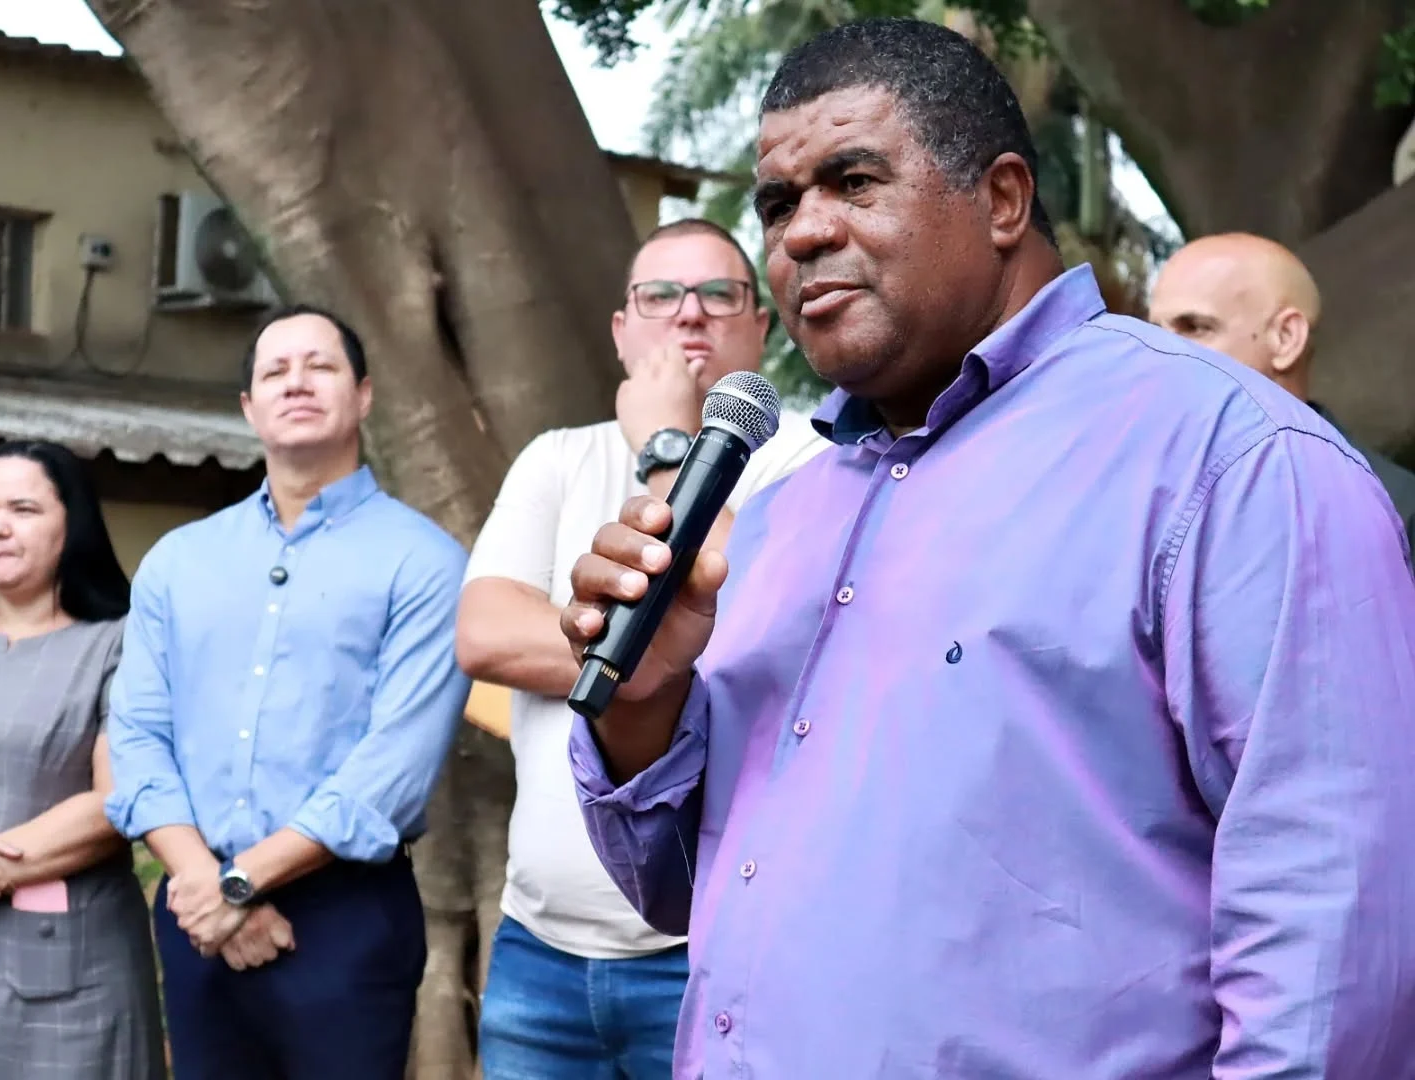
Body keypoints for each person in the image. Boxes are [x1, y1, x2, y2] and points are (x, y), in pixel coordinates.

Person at [559, 19, 1415, 1080]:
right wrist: (643, 705)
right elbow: (689, 889)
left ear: (1003, 199)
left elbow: (1333, 954)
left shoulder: (1232, 464)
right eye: (777, 205)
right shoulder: (781, 516)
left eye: (854, 181)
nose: (803, 233)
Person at [456, 218, 827, 1078]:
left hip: (715, 949)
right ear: (622, 330)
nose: (689, 314)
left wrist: (668, 450)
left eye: (718, 294)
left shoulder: (811, 456)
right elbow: (483, 632)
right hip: (538, 945)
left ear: (760, 327)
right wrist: (669, 661)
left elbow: (765, 628)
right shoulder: (558, 457)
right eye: (661, 296)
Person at [105, 305, 470, 1080]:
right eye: (275, 371)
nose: (296, 383)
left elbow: (394, 767)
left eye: (320, 366)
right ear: (249, 407)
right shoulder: (179, 561)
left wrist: (241, 882)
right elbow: (136, 735)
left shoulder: (426, 563)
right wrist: (205, 881)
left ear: (364, 395)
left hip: (345, 918)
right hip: (196, 909)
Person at [0, 440, 165, 1080]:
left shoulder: (122, 643)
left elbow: (116, 800)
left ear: (71, 524)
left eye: (23, 509)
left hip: (67, 969)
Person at [1149, 231, 1415, 545]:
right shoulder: (1138, 491)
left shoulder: (1389, 515)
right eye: (1152, 331)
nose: (1156, 351)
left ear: (1286, 339)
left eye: (1194, 328)